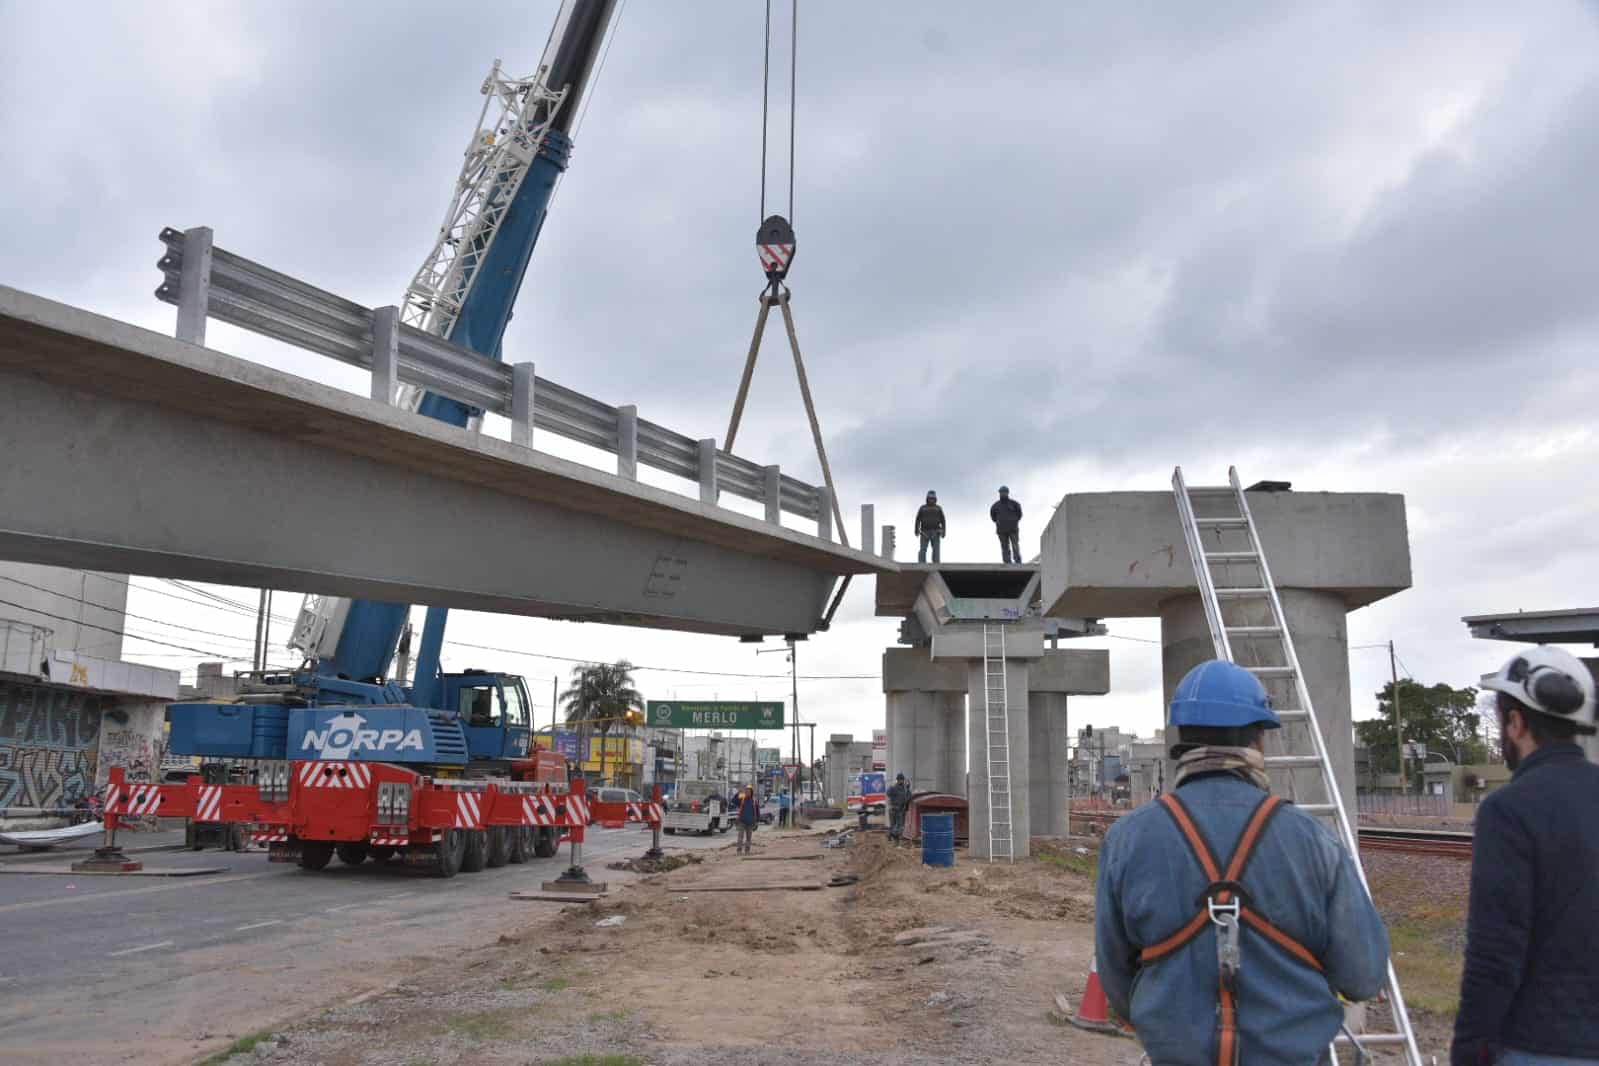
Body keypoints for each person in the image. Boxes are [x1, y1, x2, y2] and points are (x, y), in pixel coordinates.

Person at [1095, 660, 1389, 1064]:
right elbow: (1363, 974)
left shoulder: (1128, 839)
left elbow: (1116, 979)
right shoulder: (1314, 840)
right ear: (1258, 741)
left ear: (1180, 738)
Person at [1452, 645, 1599, 1066]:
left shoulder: (1508, 810)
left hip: (1541, 1045)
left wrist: (1468, 1049)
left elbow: (1495, 952)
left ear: (1515, 723)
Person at [990, 486, 1022, 564]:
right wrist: (999, 522)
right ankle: (1007, 562)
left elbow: (1019, 514)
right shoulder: (995, 506)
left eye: (1004, 492)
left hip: (1013, 529)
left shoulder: (1014, 504)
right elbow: (993, 516)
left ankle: (1017, 562)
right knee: (1004, 547)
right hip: (1001, 530)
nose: (1002, 494)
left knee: (1015, 546)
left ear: (1007, 493)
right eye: (1001, 492)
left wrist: (1013, 521)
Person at [915, 490, 946, 564]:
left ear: (935, 499)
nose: (931, 500)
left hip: (936, 532)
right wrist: (916, 530)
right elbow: (917, 519)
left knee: (936, 550)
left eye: (933, 499)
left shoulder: (938, 508)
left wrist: (943, 531)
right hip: (924, 532)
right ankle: (921, 563)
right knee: (923, 549)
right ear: (927, 499)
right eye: (930, 498)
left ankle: (936, 563)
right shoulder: (922, 508)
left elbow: (943, 521)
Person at [886, 772, 913, 843]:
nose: (901, 781)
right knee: (895, 825)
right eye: (900, 779)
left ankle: (894, 837)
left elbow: (908, 798)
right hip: (894, 809)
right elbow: (888, 793)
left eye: (902, 780)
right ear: (897, 780)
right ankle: (892, 836)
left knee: (899, 826)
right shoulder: (894, 787)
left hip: (900, 809)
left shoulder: (904, 789)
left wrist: (908, 789)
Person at [734, 784, 760, 855]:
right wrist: (738, 793)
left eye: (749, 791)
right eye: (746, 791)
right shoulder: (742, 799)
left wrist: (757, 821)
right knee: (740, 837)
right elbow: (734, 801)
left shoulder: (754, 801)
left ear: (751, 792)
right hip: (742, 821)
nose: (747, 792)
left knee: (748, 838)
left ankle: (747, 851)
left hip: (751, 822)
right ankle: (739, 851)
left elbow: (757, 812)